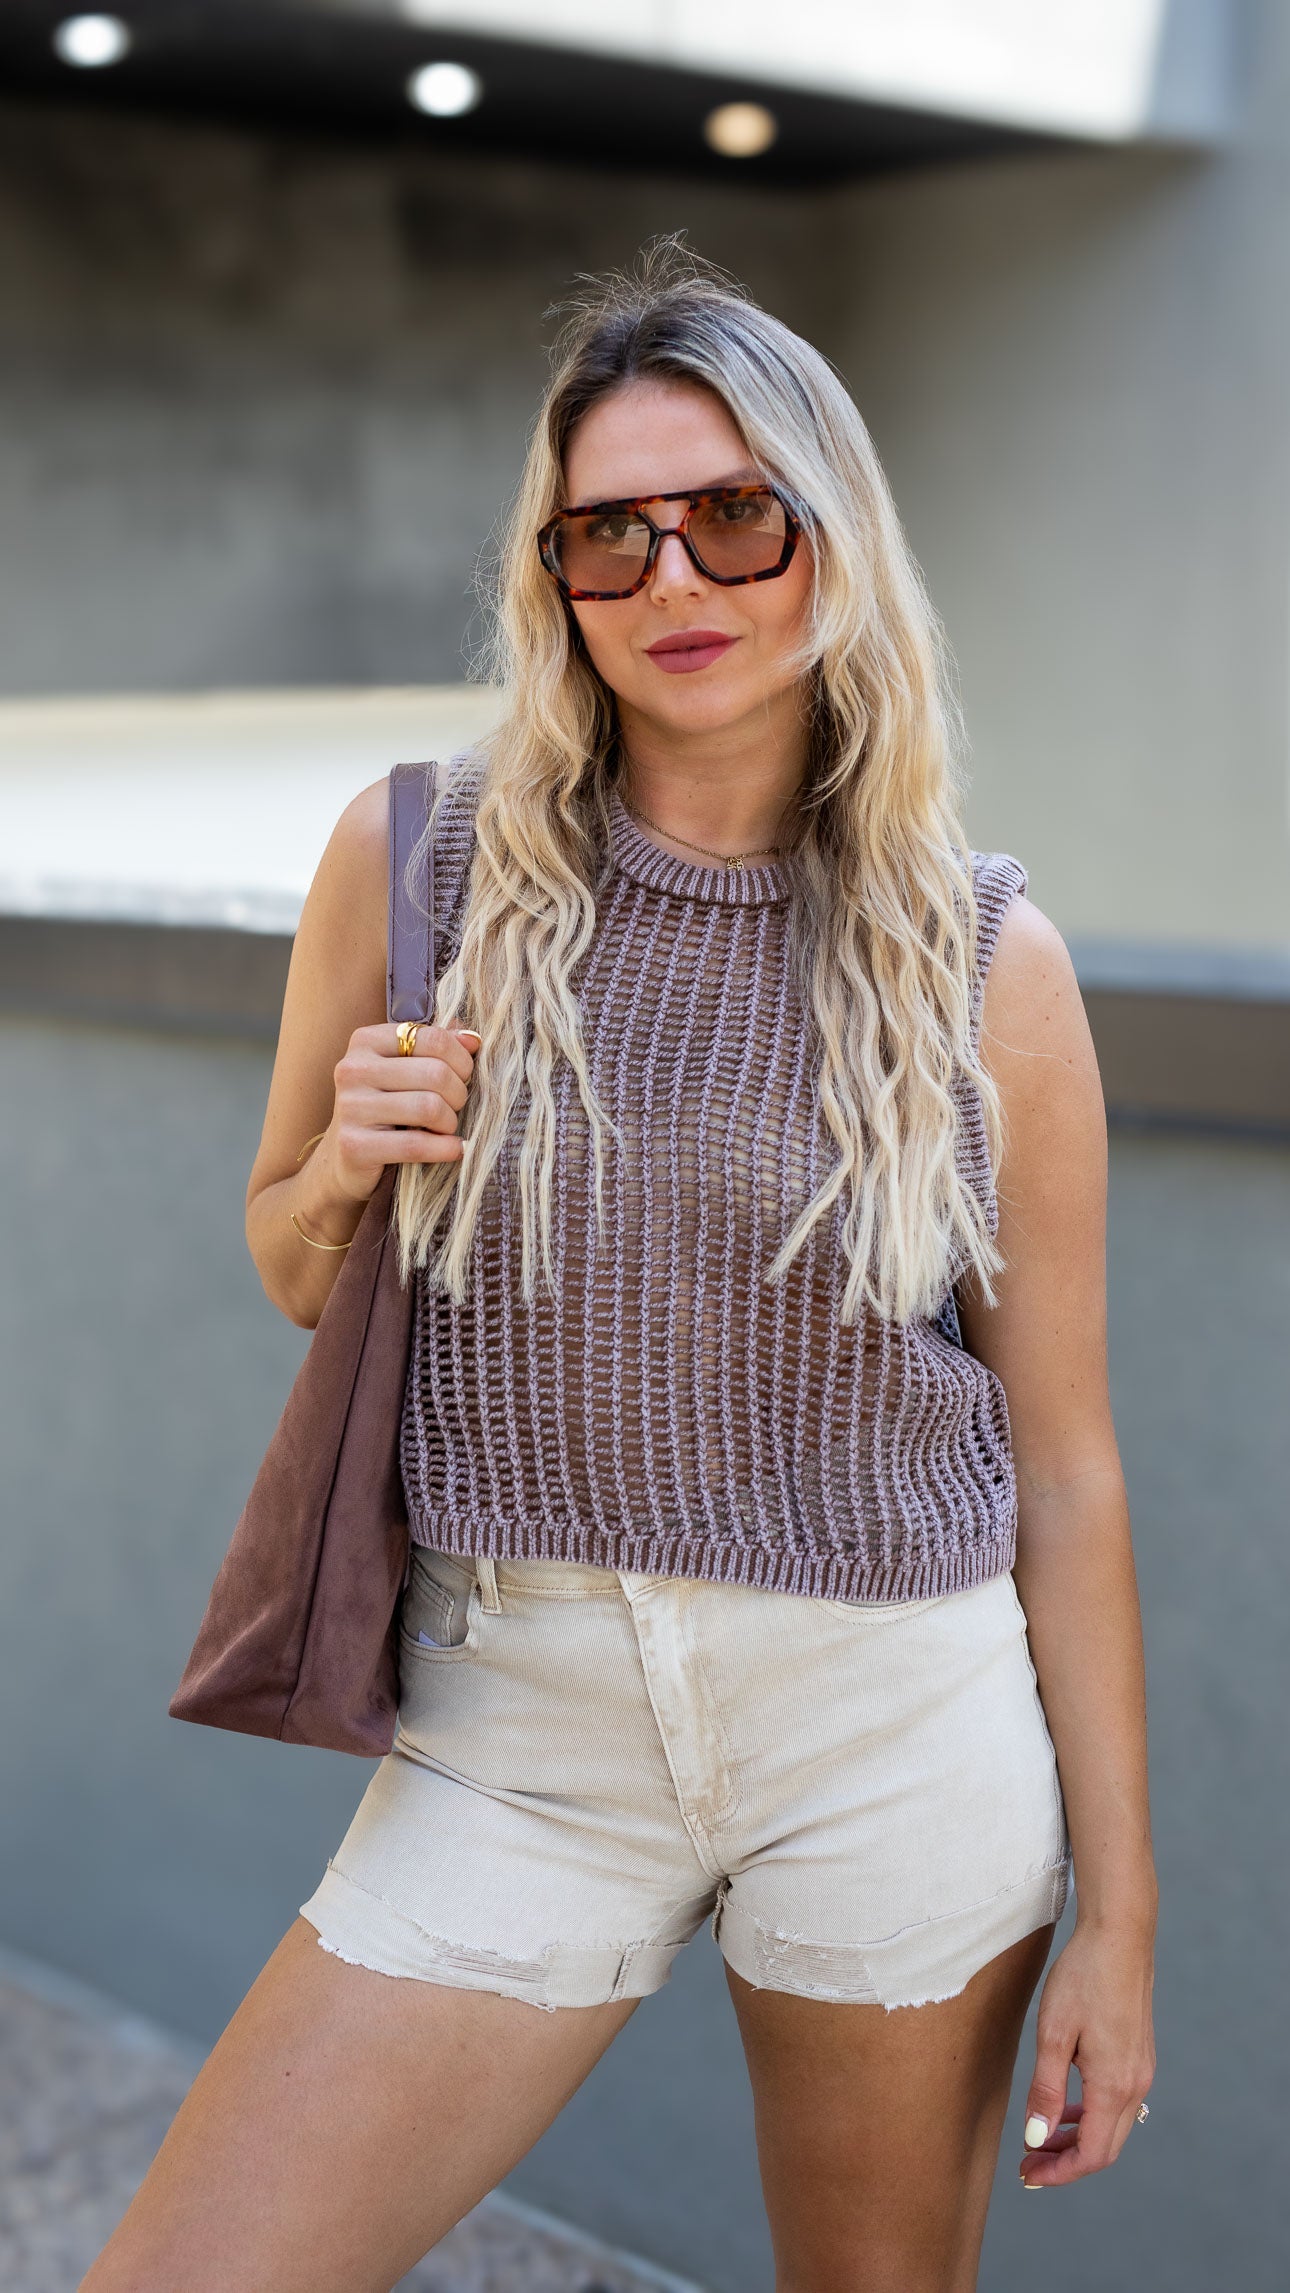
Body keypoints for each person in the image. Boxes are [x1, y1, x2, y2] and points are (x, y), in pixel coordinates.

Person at [83, 240, 1157, 2293]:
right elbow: (296, 1259)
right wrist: (347, 1166)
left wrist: (1123, 1912)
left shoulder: (981, 960)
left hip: (892, 1727)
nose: (675, 582)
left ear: (828, 541)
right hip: (524, 1729)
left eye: (734, 519)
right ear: (554, 576)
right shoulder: (411, 861)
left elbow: (1072, 1460)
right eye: (610, 537)